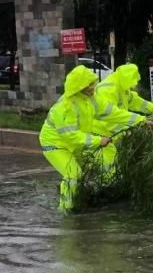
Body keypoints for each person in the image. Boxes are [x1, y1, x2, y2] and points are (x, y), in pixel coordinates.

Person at [39, 65, 116, 212]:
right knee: (73, 175)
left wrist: (140, 120)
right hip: (55, 145)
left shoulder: (89, 100)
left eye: (93, 83)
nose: (93, 87)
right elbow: (71, 136)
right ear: (78, 87)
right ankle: (66, 210)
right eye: (89, 85)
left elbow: (112, 113)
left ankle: (79, 199)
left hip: (73, 143)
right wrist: (98, 141)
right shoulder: (65, 107)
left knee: (87, 169)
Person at [95, 64, 153, 137]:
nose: (132, 87)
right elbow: (110, 115)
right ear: (127, 79)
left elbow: (134, 100)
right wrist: (138, 122)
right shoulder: (107, 90)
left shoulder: (122, 86)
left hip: (114, 133)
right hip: (103, 134)